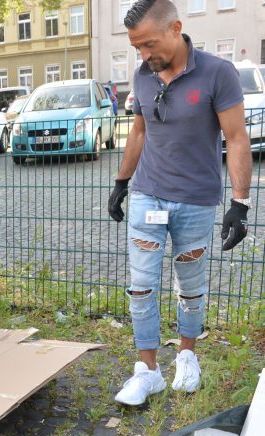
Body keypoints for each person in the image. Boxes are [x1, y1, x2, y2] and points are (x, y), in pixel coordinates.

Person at [108, 0, 252, 406]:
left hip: (196, 201)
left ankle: (187, 356)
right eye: (137, 48)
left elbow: (237, 138)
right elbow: (138, 131)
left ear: (176, 28)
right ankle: (148, 371)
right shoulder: (143, 75)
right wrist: (122, 181)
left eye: (149, 44)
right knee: (141, 288)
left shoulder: (217, 73)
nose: (144, 55)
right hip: (147, 196)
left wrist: (240, 204)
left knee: (190, 289)